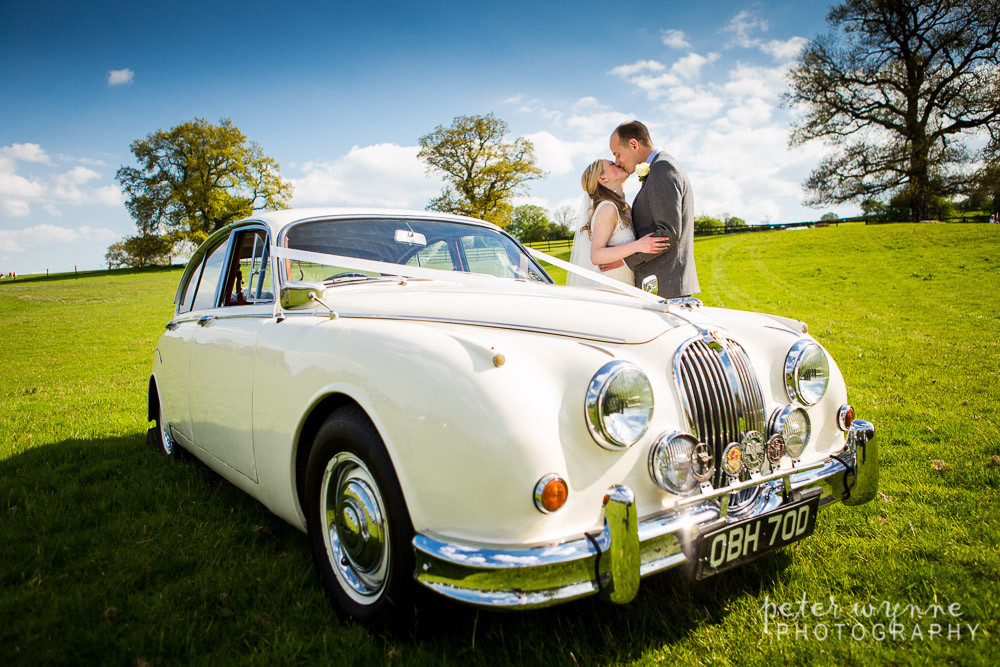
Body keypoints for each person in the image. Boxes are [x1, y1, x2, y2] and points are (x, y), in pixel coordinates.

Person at [608, 120, 700, 298]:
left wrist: (624, 261)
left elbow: (667, 233)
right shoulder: (658, 168)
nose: (617, 162)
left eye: (617, 154)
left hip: (667, 287)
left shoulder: (662, 168)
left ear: (634, 144)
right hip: (663, 286)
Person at [567, 158, 670, 288]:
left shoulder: (625, 208)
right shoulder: (607, 208)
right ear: (603, 178)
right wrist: (638, 245)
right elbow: (596, 255)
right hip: (612, 288)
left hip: (627, 285)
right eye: (612, 164)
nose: (618, 164)